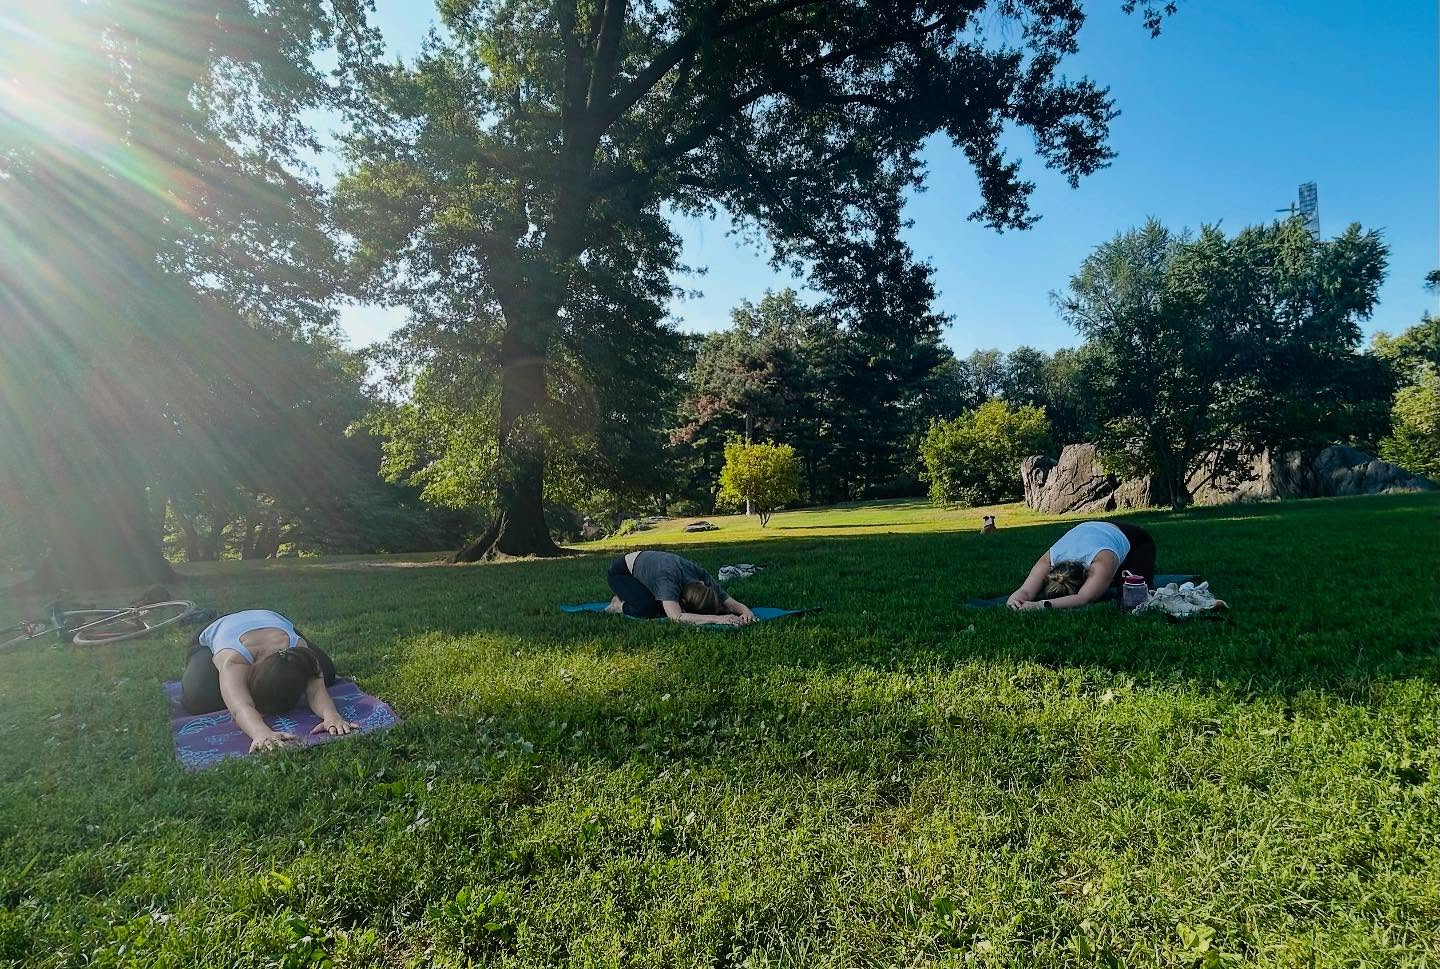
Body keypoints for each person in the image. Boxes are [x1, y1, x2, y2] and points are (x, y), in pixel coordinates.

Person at [181, 609, 358, 751]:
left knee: (326, 672)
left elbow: (317, 691)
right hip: (215, 629)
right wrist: (261, 732)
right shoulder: (233, 660)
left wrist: (332, 716)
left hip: (270, 620)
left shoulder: (300, 650)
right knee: (199, 698)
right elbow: (240, 707)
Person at [1006, 520, 1156, 611]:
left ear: (1086, 577)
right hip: (1090, 531)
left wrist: (1039, 606)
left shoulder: (1102, 562)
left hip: (1135, 538)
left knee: (1134, 595)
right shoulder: (1048, 560)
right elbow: (1025, 590)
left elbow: (1084, 598)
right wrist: (1014, 603)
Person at [605, 550, 757, 626]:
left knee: (661, 604)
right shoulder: (668, 582)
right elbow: (676, 617)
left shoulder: (702, 577)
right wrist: (717, 619)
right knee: (650, 609)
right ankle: (617, 605)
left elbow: (728, 601)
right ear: (683, 601)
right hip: (620, 574)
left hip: (648, 568)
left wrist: (746, 611)